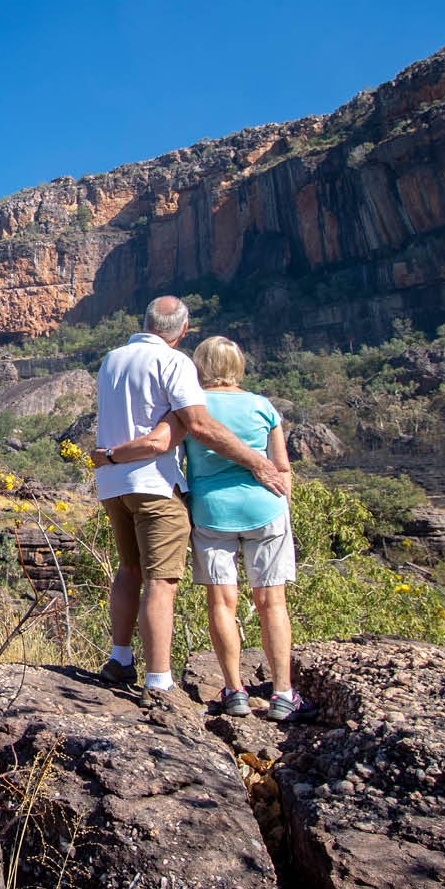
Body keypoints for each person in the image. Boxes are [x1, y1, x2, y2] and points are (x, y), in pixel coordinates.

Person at [87, 296, 289, 696]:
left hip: (113, 484)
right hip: (155, 486)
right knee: (161, 582)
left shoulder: (111, 359)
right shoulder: (174, 362)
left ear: (144, 322)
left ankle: (120, 659)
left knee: (129, 571)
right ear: (181, 331)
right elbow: (196, 425)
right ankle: (159, 680)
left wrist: (109, 457)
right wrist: (258, 463)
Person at [181, 337, 306, 722]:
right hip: (264, 507)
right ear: (238, 366)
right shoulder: (262, 406)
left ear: (200, 366)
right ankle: (283, 693)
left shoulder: (191, 409)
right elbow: (281, 468)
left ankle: (234, 690)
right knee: (272, 602)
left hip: (211, 510)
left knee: (222, 602)